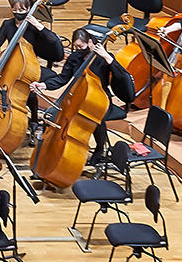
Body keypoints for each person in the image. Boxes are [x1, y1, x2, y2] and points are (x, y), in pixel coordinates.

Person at [34, 27, 137, 162]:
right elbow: (63, 78)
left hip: (101, 98)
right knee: (57, 114)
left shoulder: (103, 58)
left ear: (90, 42)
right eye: (76, 47)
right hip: (79, 95)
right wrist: (44, 85)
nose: (78, 50)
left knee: (96, 116)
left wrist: (106, 57)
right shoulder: (75, 57)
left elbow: (122, 76)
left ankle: (99, 149)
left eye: (81, 46)